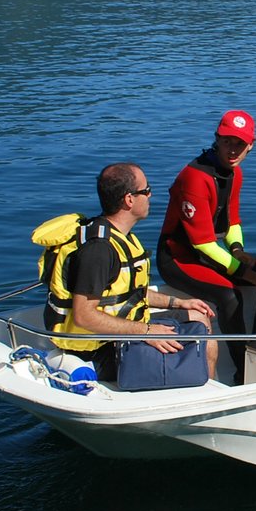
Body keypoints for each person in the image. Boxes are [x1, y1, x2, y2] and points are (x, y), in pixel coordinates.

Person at [45, 163, 218, 382]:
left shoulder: (120, 237)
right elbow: (83, 315)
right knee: (201, 344)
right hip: (102, 351)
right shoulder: (99, 251)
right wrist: (146, 332)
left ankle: (206, 390)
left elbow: (128, 293)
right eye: (146, 191)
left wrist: (177, 302)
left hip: (125, 331)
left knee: (199, 318)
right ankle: (198, 398)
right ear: (129, 200)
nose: (150, 195)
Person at [157, 110, 256, 380]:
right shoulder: (195, 177)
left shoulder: (233, 173)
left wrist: (238, 251)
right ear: (216, 139)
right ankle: (244, 370)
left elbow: (232, 222)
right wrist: (253, 277)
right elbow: (203, 244)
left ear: (251, 145)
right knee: (229, 295)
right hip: (178, 259)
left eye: (239, 143)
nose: (232, 150)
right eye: (227, 141)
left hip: (209, 254)